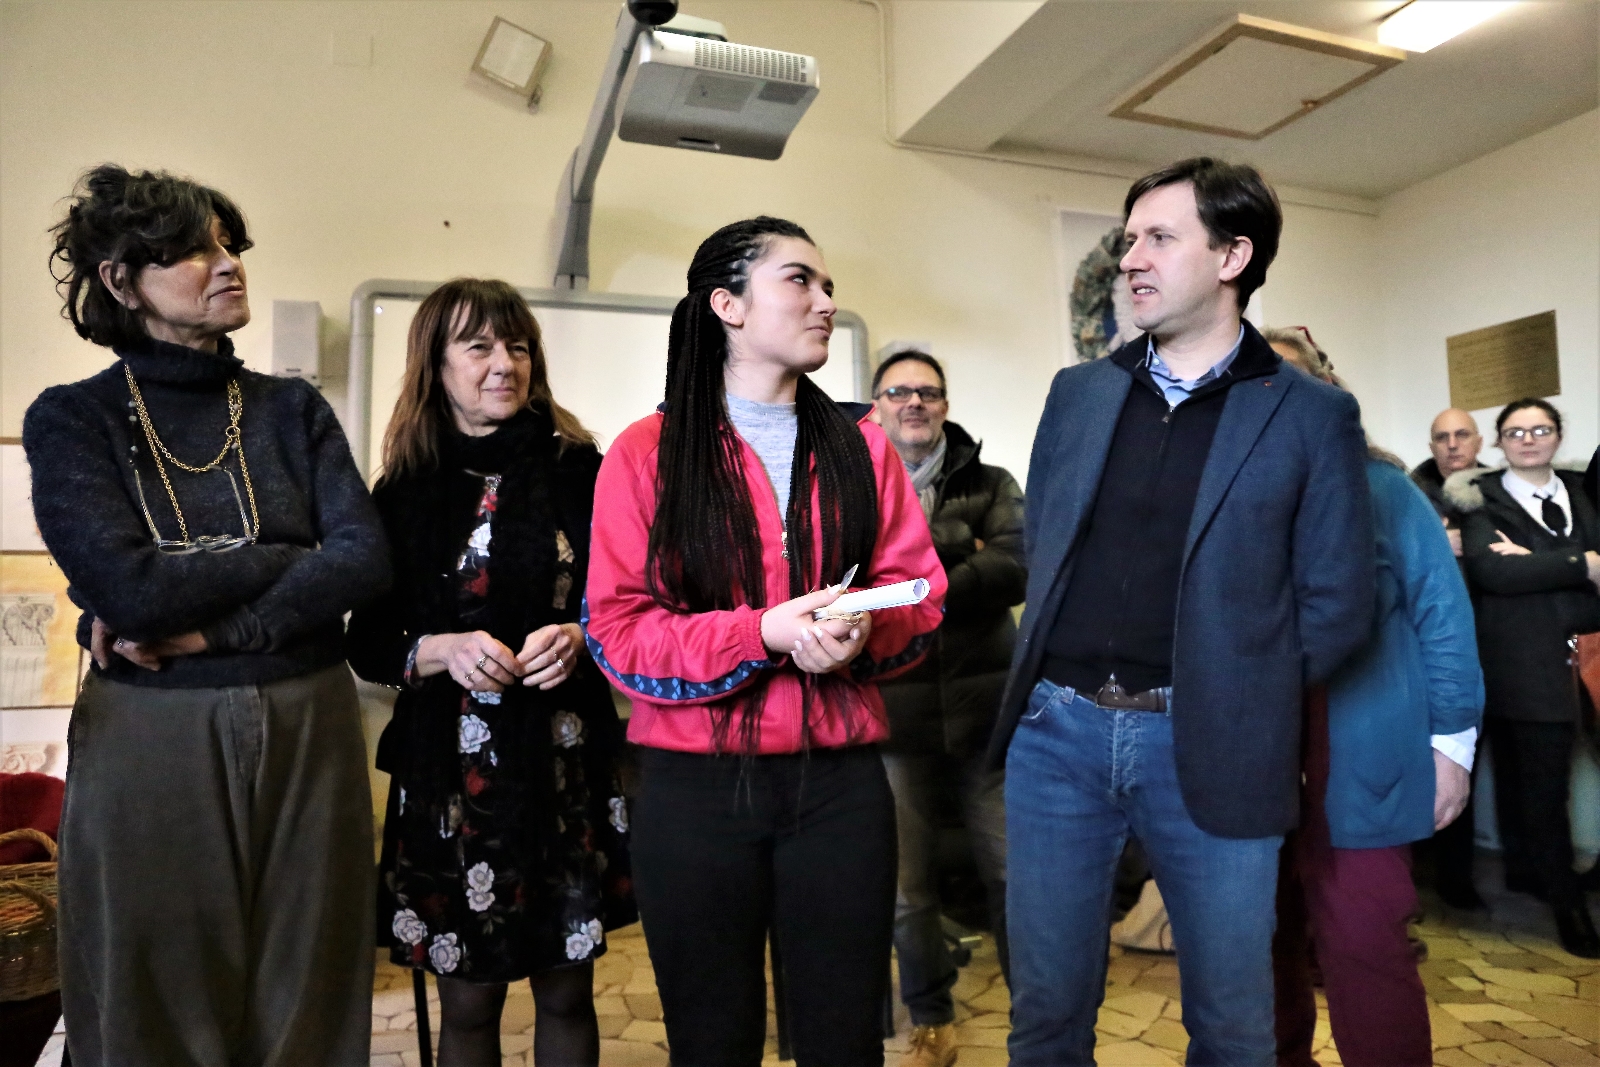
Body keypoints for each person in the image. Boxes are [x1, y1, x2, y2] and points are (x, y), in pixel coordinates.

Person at [990, 157, 1375, 1066]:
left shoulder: (1311, 415)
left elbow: (1338, 601)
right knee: (1044, 1016)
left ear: (1234, 254)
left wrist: (1242, 692)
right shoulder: (1079, 394)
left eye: (1159, 238)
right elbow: (1047, 546)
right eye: (1129, 240)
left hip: (1213, 740)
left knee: (1235, 1028)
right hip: (1058, 735)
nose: (1132, 258)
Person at [23, 164, 389, 1066]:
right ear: (120, 279)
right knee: (154, 992)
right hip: (152, 725)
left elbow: (365, 559)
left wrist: (218, 617)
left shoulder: (291, 408)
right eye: (194, 249)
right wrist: (285, 556)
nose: (227, 266)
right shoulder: (76, 418)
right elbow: (129, 592)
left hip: (309, 715)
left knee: (310, 984)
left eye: (231, 246)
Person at [583, 216, 946, 1066]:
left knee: (844, 1034)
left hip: (841, 788)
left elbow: (920, 589)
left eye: (828, 287)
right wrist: (764, 634)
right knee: (713, 1038)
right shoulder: (645, 452)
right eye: (800, 282)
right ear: (727, 304)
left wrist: (860, 632)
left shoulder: (865, 447)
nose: (824, 302)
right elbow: (619, 629)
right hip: (696, 790)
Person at [346, 279, 634, 1066]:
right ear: (435, 366)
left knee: (567, 987)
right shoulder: (403, 491)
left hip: (563, 763)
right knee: (468, 1001)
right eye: (478, 346)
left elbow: (632, 608)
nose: (504, 363)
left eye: (517, 345)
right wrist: (440, 649)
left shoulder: (585, 472)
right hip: (452, 774)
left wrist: (581, 634)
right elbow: (368, 639)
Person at [1267, 338, 1484, 1067]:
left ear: (1329, 390)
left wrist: (1452, 750)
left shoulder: (1384, 491)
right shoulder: (1229, 499)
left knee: (1366, 946)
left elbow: (1443, 619)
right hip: (1257, 763)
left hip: (1359, 754)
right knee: (1262, 955)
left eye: (1291, 378)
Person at [869, 350, 1025, 1067]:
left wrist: (916, 578)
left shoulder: (991, 481)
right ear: (875, 404)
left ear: (946, 403)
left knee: (1014, 871)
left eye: (928, 392)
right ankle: (931, 1014)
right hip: (892, 716)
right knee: (906, 886)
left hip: (987, 712)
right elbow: (854, 581)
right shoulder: (852, 485)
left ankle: (1039, 1006)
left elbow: (1019, 564)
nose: (914, 403)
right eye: (898, 390)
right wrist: (963, 546)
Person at [1448, 398, 1600, 957]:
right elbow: (1495, 572)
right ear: (1499, 441)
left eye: (1540, 429)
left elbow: (1522, 566)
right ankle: (1568, 909)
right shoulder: (1479, 498)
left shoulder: (1583, 492)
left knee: (1558, 779)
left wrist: (1534, 556)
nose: (1529, 439)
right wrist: (1583, 563)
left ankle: (1550, 876)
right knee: (1543, 791)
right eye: (1516, 432)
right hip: (1520, 665)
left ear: (1558, 436)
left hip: (1588, 658)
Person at [1412, 408, 1490, 556]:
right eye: (1442, 437)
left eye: (1462, 435)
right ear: (1432, 449)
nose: (1452, 444)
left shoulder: (1501, 488)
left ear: (1479, 443)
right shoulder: (1410, 495)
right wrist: (1436, 544)